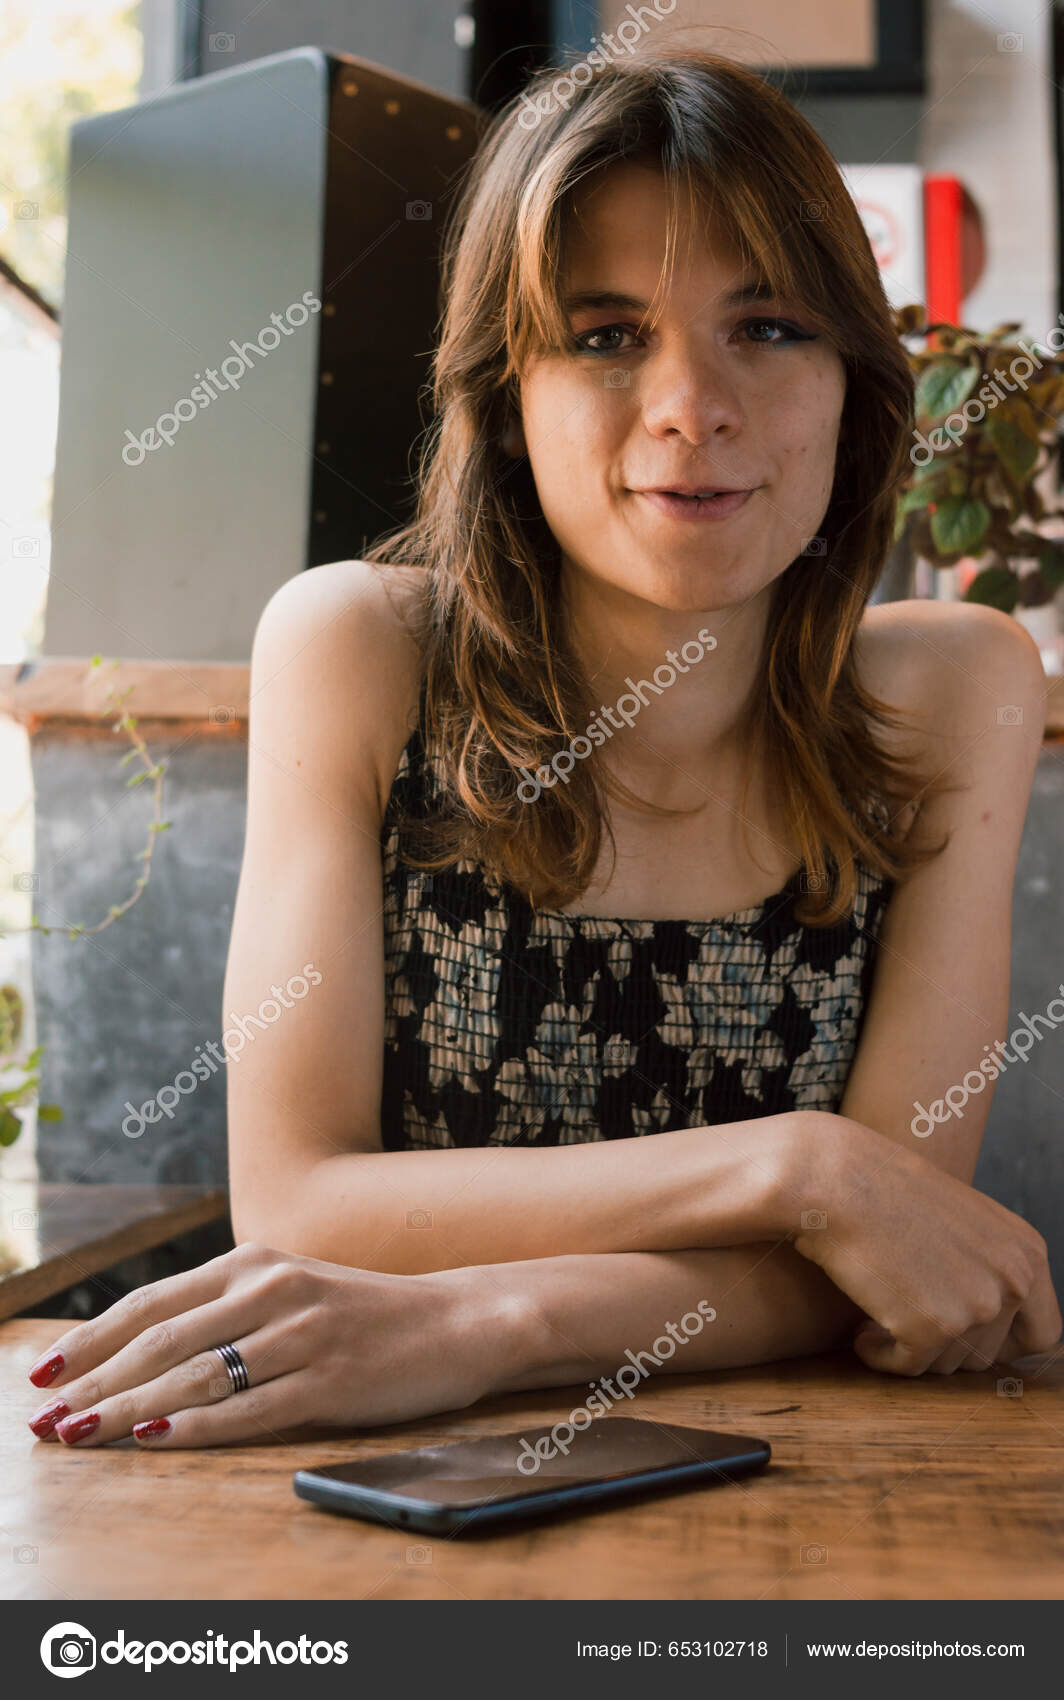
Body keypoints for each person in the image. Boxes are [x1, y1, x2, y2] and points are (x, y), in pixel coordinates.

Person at [28, 49, 1060, 1450]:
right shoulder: (361, 648)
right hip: (373, 1476)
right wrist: (801, 1168)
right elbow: (299, 1202)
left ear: (852, 385)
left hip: (811, 1484)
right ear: (505, 396)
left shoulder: (954, 691)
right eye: (606, 334)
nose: (693, 403)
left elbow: (891, 1267)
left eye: (766, 326)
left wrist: (481, 1323)